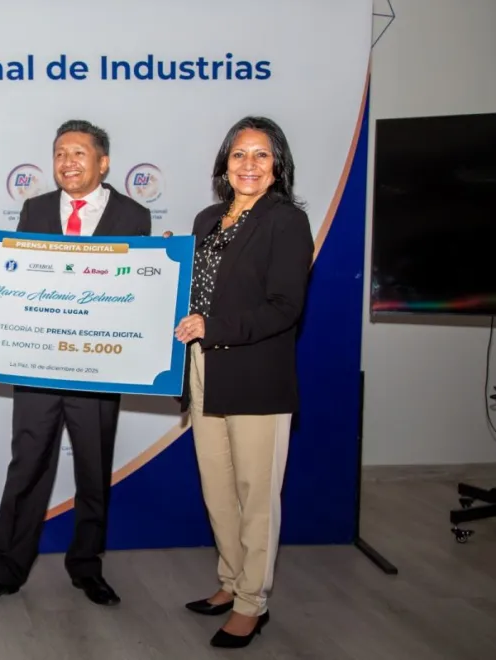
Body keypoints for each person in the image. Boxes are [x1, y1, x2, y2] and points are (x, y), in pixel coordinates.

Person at [0, 119, 151, 609]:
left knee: (93, 470)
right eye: (60, 153)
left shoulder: (134, 215)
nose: (68, 162)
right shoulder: (35, 208)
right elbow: (17, 275)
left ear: (103, 163)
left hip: (98, 369)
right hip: (38, 367)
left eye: (79, 153)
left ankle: (87, 567)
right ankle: (4, 571)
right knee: (27, 468)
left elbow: (138, 294)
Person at [170, 116, 313, 648]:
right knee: (218, 490)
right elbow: (190, 287)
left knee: (256, 496)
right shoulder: (207, 218)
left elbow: (285, 308)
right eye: (239, 155)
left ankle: (253, 602)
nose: (248, 165)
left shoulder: (286, 222)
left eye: (261, 155)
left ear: (277, 168)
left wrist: (216, 327)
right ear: (224, 164)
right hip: (203, 367)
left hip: (255, 371)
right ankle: (230, 583)